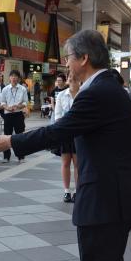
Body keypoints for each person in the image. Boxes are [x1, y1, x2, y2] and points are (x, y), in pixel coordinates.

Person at [0, 29, 131, 261]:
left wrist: (11, 141)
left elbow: (58, 130)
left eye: (68, 57)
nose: (66, 63)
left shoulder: (96, 93)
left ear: (84, 58)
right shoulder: (109, 88)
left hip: (104, 202)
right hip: (116, 198)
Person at [54, 72, 79, 203]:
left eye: (75, 78)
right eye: (70, 78)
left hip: (79, 134)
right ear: (67, 80)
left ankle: (77, 191)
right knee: (65, 163)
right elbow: (57, 116)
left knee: (77, 164)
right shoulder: (61, 96)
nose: (73, 79)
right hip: (65, 133)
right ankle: (66, 191)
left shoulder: (83, 95)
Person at [0, 70, 28, 163]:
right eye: (12, 76)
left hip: (18, 114)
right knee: (7, 136)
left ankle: (21, 156)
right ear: (9, 77)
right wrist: (7, 107)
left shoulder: (23, 89)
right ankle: (6, 156)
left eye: (16, 76)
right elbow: (2, 102)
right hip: (7, 114)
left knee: (20, 136)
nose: (14, 78)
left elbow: (25, 102)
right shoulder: (5, 89)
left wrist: (18, 106)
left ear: (19, 78)